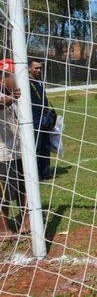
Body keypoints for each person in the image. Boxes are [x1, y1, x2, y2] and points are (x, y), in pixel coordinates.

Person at [0, 59, 30, 238]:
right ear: (2, 78)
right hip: (2, 154)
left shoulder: (17, 92)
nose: (18, 80)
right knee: (2, 194)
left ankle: (26, 222)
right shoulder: (9, 95)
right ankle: (4, 230)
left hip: (19, 150)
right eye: (14, 76)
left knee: (23, 188)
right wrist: (12, 98)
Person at [28, 58, 52, 180]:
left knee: (46, 146)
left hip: (44, 119)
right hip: (35, 120)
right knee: (36, 147)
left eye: (40, 68)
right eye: (36, 68)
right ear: (29, 68)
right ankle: (36, 174)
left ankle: (45, 172)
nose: (38, 70)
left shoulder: (39, 81)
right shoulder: (26, 82)